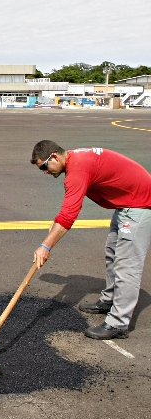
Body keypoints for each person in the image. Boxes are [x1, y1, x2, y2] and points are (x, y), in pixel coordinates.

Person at [31, 140, 151, 340]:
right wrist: (56, 224)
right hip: (126, 202)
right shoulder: (76, 161)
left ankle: (118, 324)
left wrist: (45, 246)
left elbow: (69, 216)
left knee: (127, 265)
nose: (45, 171)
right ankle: (110, 300)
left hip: (140, 204)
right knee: (112, 253)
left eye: (44, 166)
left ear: (55, 157)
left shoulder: (77, 170)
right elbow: (67, 209)